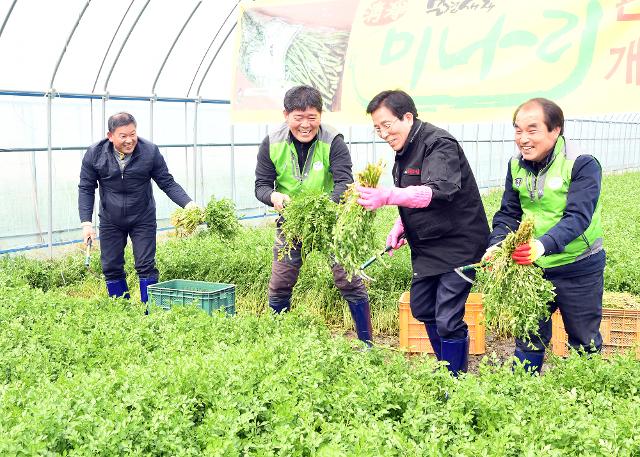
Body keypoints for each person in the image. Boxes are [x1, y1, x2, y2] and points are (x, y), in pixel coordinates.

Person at [356, 90, 489, 374]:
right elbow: (413, 195)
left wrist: (387, 196)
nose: (382, 133)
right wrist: (401, 225)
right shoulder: (402, 152)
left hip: (459, 243)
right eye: (377, 128)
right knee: (422, 307)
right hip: (428, 245)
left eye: (387, 125)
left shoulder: (438, 143)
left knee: (447, 318)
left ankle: (454, 380)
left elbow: (439, 189)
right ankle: (446, 368)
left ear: (407, 117)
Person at [485, 98, 604, 373]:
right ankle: (525, 391)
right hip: (534, 270)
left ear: (555, 130)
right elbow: (509, 214)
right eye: (518, 130)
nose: (523, 139)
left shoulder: (581, 163)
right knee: (528, 335)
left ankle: (586, 399)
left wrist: (541, 245)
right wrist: (496, 246)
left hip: (578, 266)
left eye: (532, 130)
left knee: (584, 341)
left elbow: (578, 218)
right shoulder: (516, 164)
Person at [254, 85, 373, 345]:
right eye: (299, 118)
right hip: (292, 221)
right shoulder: (272, 143)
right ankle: (279, 339)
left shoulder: (333, 141)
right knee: (281, 281)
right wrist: (274, 197)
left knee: (348, 278)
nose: (306, 125)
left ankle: (367, 344)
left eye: (312, 117)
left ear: (321, 115)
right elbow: (261, 186)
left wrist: (320, 207)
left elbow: (345, 183)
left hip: (332, 221)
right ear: (286, 115)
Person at [78, 112, 197, 305]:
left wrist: (189, 204)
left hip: (142, 217)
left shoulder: (149, 151)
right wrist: (86, 223)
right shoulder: (95, 154)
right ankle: (121, 310)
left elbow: (167, 182)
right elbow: (86, 187)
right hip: (110, 219)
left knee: (146, 265)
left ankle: (149, 312)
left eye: (132, 134)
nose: (129, 140)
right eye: (123, 136)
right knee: (111, 267)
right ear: (110, 136)